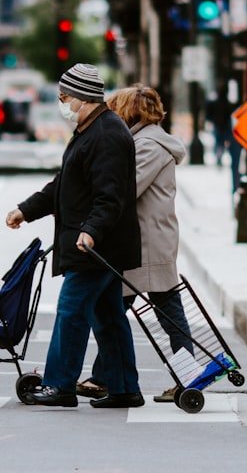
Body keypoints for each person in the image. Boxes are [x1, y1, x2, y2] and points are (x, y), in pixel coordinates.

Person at [5, 63, 144, 409]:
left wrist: (91, 232)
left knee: (71, 312)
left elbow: (110, 197)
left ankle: (59, 384)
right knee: (108, 317)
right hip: (96, 244)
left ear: (83, 97)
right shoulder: (90, 130)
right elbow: (65, 185)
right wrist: (27, 209)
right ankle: (125, 387)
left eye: (65, 97)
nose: (62, 103)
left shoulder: (107, 134)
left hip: (95, 247)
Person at [77, 84, 192, 404]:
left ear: (129, 112)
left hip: (148, 243)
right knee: (131, 308)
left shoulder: (148, 145)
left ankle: (185, 377)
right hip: (147, 239)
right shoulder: (143, 141)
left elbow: (126, 190)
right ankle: (105, 376)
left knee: (154, 310)